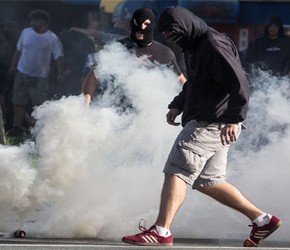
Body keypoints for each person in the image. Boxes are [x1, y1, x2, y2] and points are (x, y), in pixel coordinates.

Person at [122, 6, 281, 248]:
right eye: (167, 36)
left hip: (210, 121)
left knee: (177, 167)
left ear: (186, 27)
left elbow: (240, 82)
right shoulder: (195, 45)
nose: (173, 39)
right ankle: (263, 220)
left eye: (174, 34)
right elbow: (195, 83)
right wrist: (178, 104)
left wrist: (234, 118)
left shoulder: (212, 44)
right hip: (212, 119)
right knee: (209, 181)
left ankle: (161, 230)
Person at [82, 7, 186, 107]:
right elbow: (94, 77)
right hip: (116, 113)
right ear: (132, 23)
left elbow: (180, 80)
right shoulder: (116, 48)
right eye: (138, 23)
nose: (142, 28)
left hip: (149, 114)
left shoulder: (164, 53)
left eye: (146, 24)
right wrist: (86, 100)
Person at [8, 9, 64, 136]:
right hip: (22, 73)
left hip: (40, 77)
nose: (33, 23)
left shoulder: (52, 37)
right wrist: (13, 65)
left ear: (44, 22)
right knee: (18, 102)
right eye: (32, 20)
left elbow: (58, 56)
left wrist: (60, 72)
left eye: (36, 20)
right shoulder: (25, 33)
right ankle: (17, 128)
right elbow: (18, 50)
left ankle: (40, 131)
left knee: (39, 106)